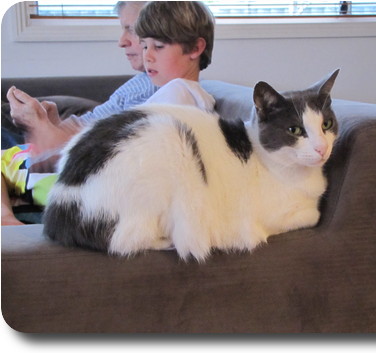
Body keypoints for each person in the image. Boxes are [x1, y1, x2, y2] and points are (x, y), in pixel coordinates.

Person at [1, 1, 216, 226]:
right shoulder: (186, 96)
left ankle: (6, 218)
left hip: (86, 192)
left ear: (195, 48)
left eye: (158, 47)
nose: (147, 57)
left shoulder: (178, 93)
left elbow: (116, 149)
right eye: (144, 47)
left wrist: (48, 135)